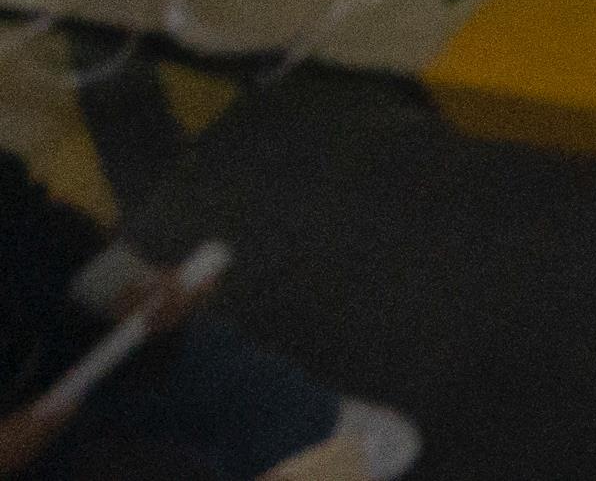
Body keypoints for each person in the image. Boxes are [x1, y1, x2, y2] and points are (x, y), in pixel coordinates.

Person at [0, 156, 414, 479]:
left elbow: (27, 218)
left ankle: (299, 432)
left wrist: (121, 284)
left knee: (360, 443)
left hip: (64, 350)